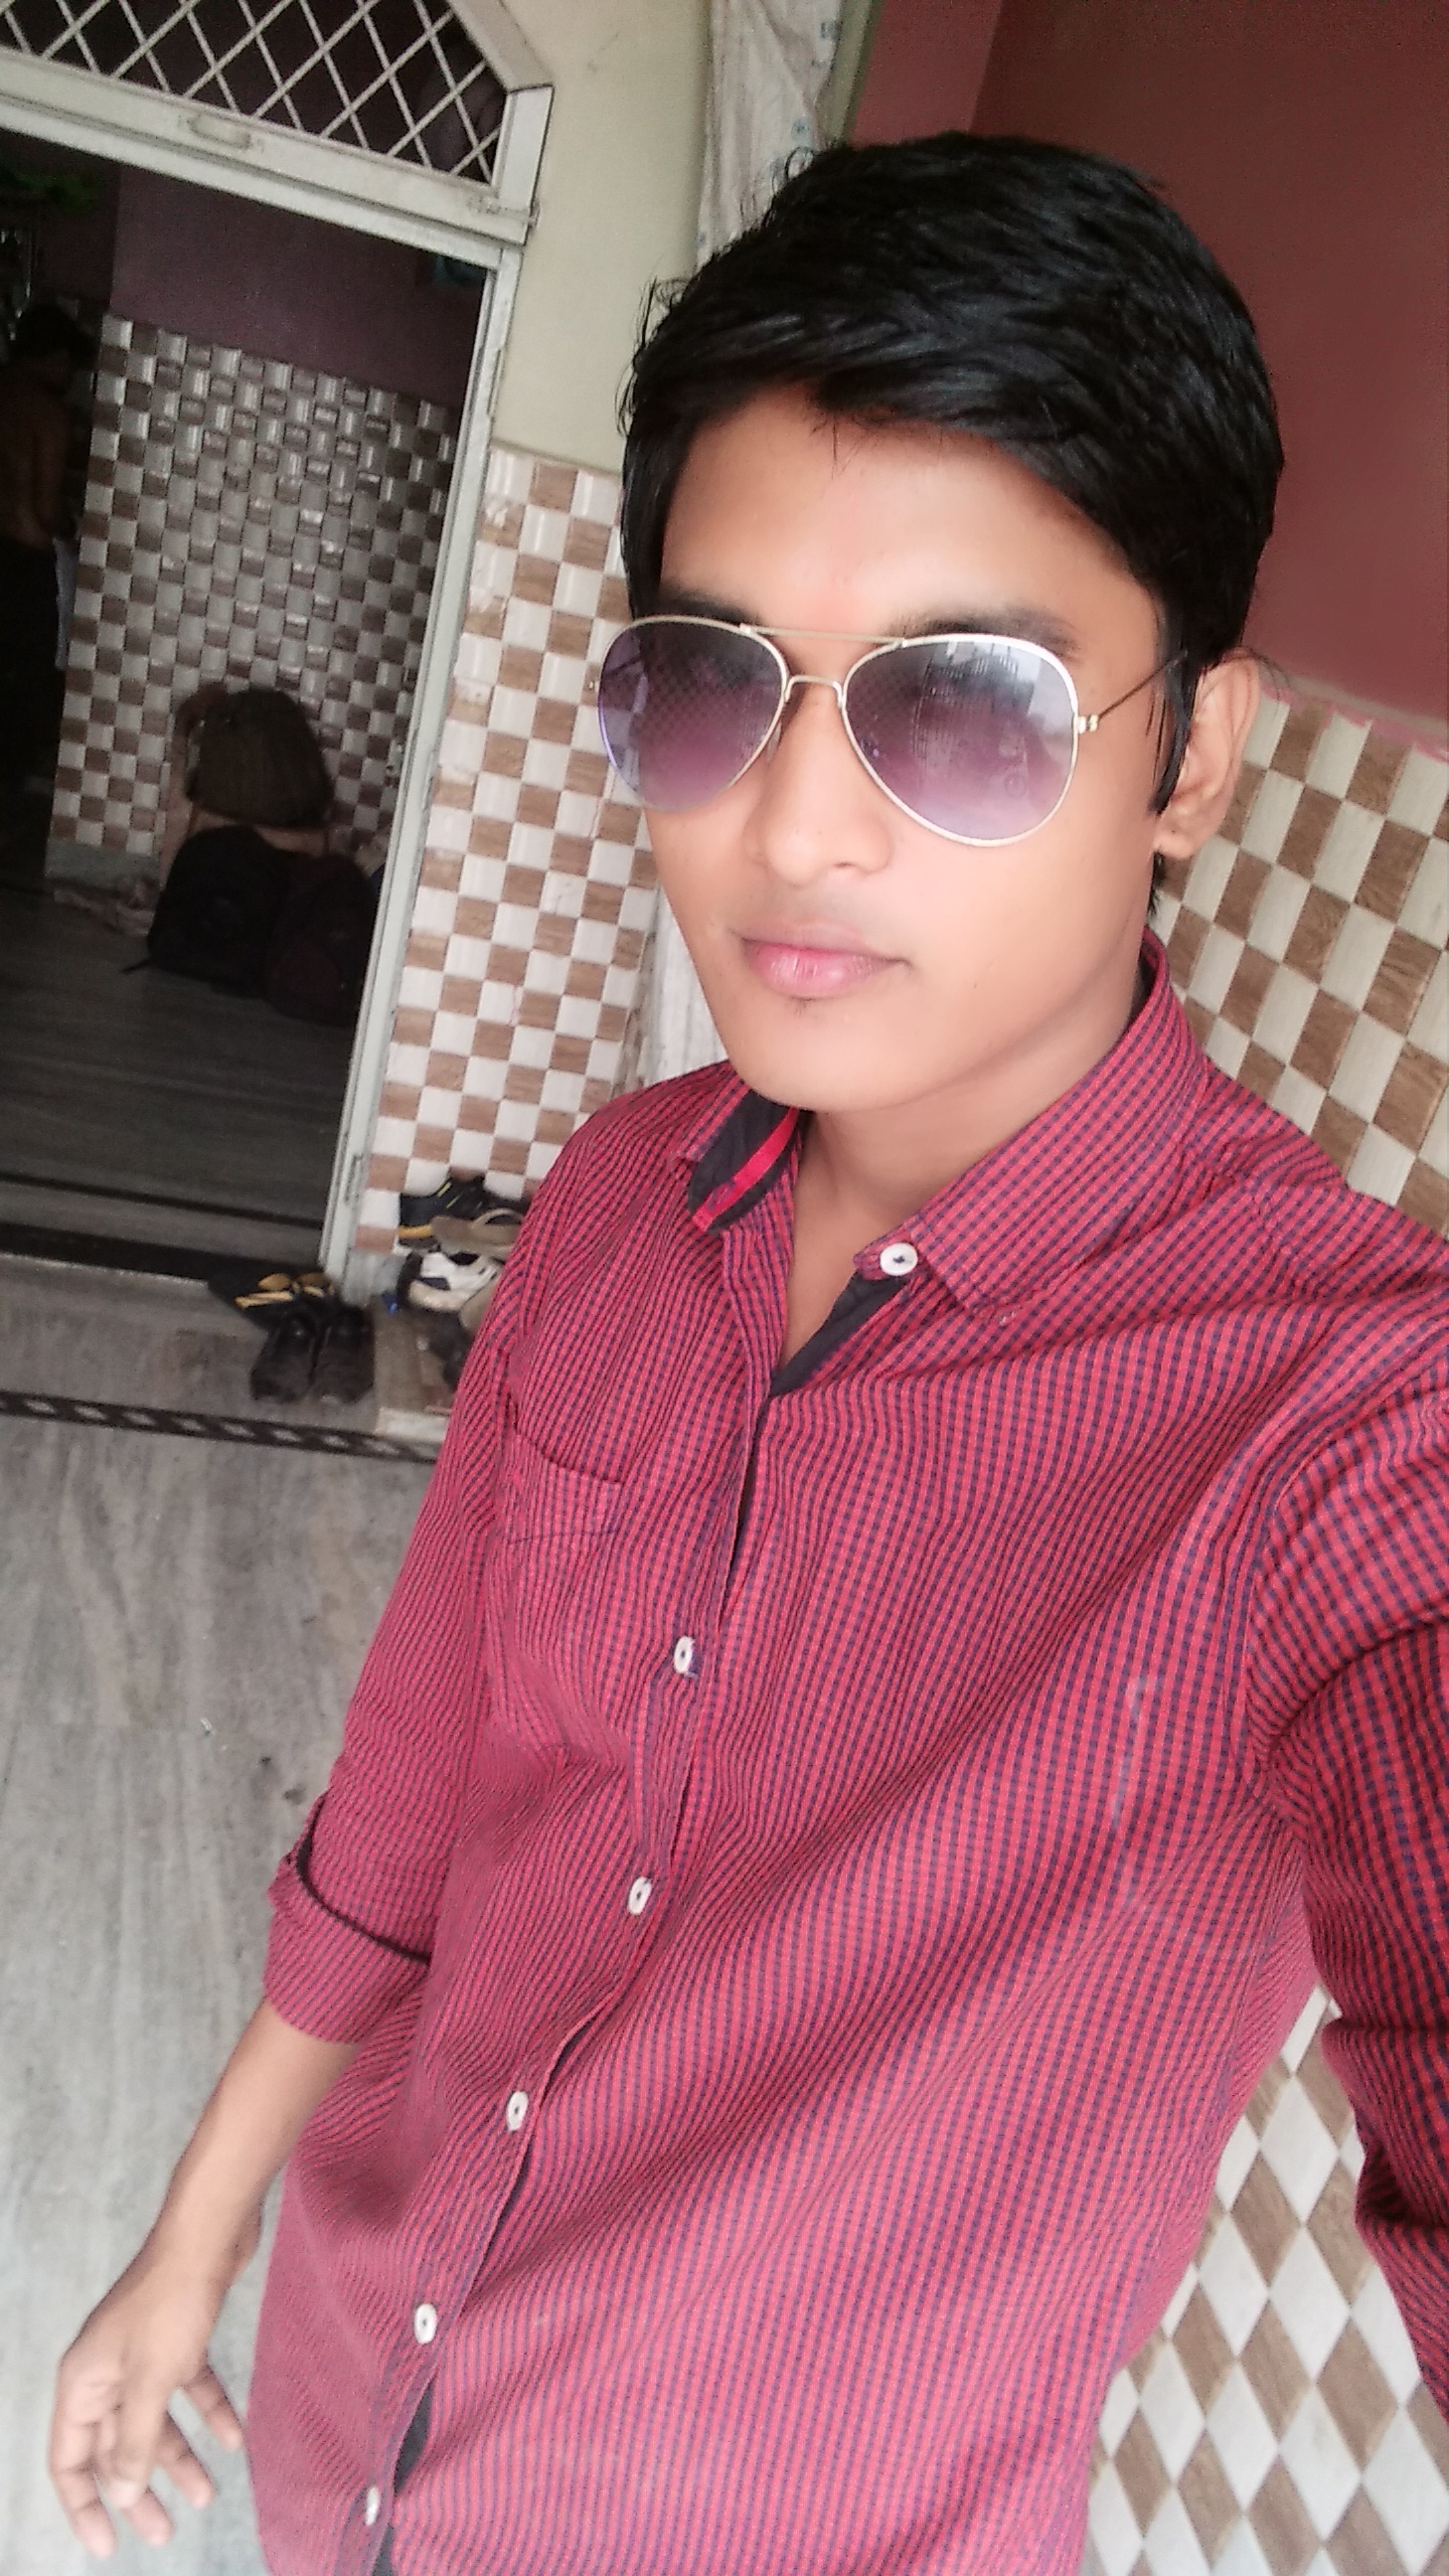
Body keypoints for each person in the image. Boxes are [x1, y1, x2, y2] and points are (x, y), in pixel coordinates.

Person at [51, 135, 1448, 2576]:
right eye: (710, 683)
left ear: (1196, 759)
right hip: (342, 2425)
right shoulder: (617, 1201)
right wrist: (194, 2243)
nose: (794, 826)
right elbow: (409, 1817)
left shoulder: (1344, 1424)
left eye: (968, 705)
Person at [0, 301, 90, 807]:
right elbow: (44, 507)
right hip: (20, 561)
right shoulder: (47, 415)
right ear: (55, 357)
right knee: (24, 679)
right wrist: (72, 526)